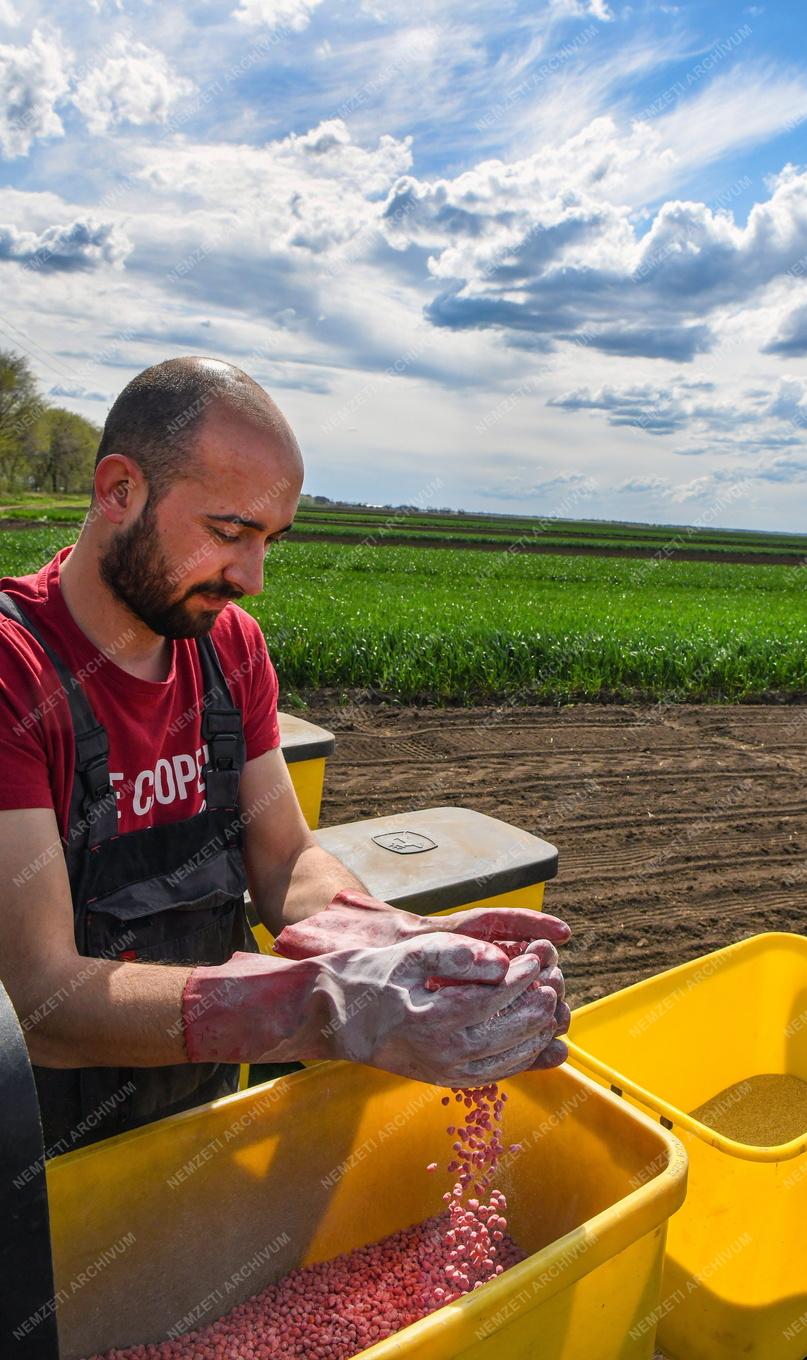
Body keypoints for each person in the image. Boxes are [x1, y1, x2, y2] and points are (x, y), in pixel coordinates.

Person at [0, 356, 569, 1156]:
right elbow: (40, 1000)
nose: (253, 577)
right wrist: (320, 1007)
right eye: (229, 532)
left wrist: (390, 939)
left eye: (270, 540)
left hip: (192, 1119)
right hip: (34, 1156)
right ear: (119, 491)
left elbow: (288, 861)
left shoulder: (227, 648)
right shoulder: (14, 674)